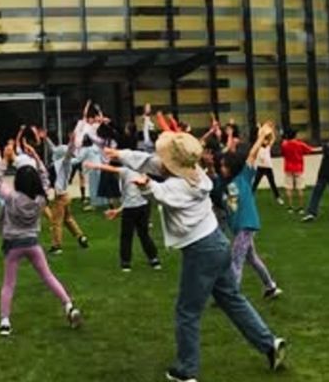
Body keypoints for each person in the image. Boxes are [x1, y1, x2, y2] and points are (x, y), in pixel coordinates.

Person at [108, 132, 287, 381]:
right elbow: (152, 163)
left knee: (187, 311)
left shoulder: (179, 185)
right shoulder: (195, 172)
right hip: (217, 244)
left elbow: (162, 193)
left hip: (201, 251)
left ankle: (186, 370)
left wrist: (146, 186)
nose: (161, 159)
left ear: (174, 162)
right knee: (232, 299)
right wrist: (121, 155)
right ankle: (269, 344)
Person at [0, 135, 82, 336]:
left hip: (13, 245)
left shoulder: (12, 198)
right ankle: (68, 306)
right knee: (48, 276)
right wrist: (36, 158)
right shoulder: (41, 200)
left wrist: (5, 161)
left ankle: (5, 321)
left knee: (8, 284)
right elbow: (46, 179)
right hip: (33, 243)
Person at [222, 124, 283, 299]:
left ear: (233, 167)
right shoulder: (227, 183)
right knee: (251, 258)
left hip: (246, 225)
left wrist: (260, 137)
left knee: (236, 260)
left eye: (225, 166)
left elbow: (251, 155)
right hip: (240, 227)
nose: (222, 168)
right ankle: (270, 286)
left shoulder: (244, 176)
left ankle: (231, 295)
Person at [84, 161, 160, 272]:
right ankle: (153, 259)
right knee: (142, 234)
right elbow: (129, 197)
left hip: (137, 208)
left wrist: (94, 165)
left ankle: (127, 262)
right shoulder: (133, 172)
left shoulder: (125, 171)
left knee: (128, 236)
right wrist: (117, 210)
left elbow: (131, 198)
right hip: (141, 207)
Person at [41, 127, 88, 254]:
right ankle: (81, 237)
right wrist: (46, 138)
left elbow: (68, 151)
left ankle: (57, 246)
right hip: (65, 196)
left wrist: (72, 141)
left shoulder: (65, 162)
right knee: (68, 219)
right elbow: (54, 149)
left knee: (56, 221)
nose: (54, 153)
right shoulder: (61, 162)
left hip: (61, 197)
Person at [281, 128, 318, 214]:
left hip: (288, 168)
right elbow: (311, 150)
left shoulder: (284, 144)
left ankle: (290, 207)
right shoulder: (300, 144)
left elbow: (283, 153)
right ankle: (301, 207)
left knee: (288, 187)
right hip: (298, 167)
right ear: (295, 135)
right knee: (300, 187)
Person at [302, 135, 329, 222]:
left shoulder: (327, 146)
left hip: (323, 173)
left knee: (316, 194)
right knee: (317, 193)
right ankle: (311, 212)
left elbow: (317, 149)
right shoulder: (327, 147)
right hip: (328, 174)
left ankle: (311, 212)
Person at [251, 130, 282, 205]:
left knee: (272, 183)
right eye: (264, 140)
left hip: (268, 168)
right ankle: (250, 197)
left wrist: (271, 131)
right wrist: (260, 129)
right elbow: (259, 139)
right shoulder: (258, 147)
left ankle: (278, 198)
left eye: (266, 140)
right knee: (255, 183)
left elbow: (273, 139)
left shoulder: (268, 147)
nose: (265, 142)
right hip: (260, 168)